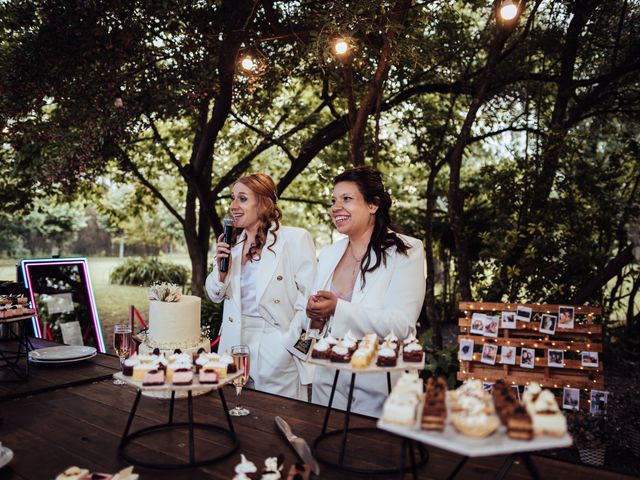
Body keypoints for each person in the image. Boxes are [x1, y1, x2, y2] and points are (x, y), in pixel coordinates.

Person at [306, 166, 426, 417]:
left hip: (379, 385)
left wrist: (337, 308)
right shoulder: (328, 255)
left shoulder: (406, 251)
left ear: (373, 205)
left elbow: (401, 324)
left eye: (346, 199)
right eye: (333, 200)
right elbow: (319, 321)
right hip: (328, 382)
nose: (335, 207)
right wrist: (316, 318)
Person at [205, 173, 317, 401]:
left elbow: (310, 300)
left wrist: (292, 346)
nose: (233, 206)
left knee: (277, 418)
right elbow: (215, 295)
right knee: (236, 413)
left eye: (242, 199)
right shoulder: (232, 246)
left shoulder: (294, 239)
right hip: (234, 346)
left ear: (264, 203)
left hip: (276, 348)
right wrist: (221, 271)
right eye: (232, 198)